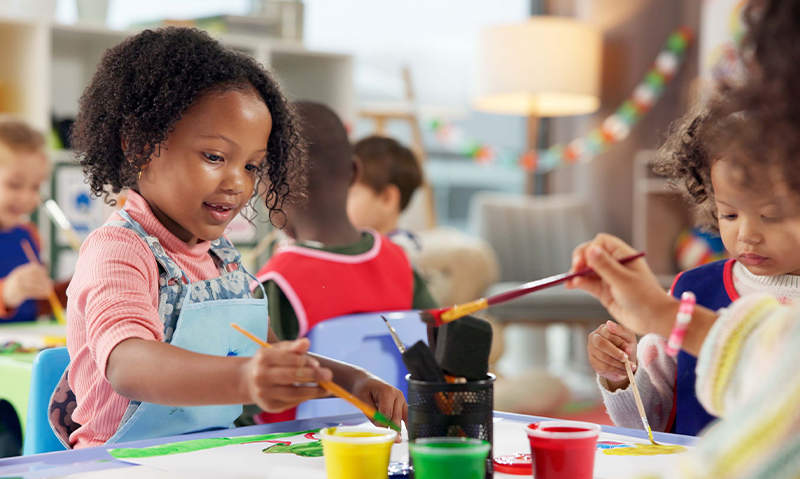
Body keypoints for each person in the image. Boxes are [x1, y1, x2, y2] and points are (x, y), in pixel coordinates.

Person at [58, 28, 406, 449]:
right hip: (116, 464)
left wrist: (349, 379)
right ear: (138, 146)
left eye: (252, 167)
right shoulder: (118, 249)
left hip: (210, 454)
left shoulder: (223, 258)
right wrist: (244, 379)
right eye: (215, 157)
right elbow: (129, 363)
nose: (237, 184)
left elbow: (272, 350)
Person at [253, 103, 437, 342]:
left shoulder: (277, 283)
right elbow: (440, 341)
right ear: (353, 171)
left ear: (270, 184)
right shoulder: (399, 260)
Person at [0, 117, 68, 322]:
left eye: (36, 187)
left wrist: (73, 288)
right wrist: (5, 295)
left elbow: (35, 304)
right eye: (14, 184)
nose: (28, 198)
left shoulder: (28, 234)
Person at [347, 135, 424, 259]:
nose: (338, 202)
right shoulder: (356, 242)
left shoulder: (401, 249)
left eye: (350, 194)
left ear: (387, 199)